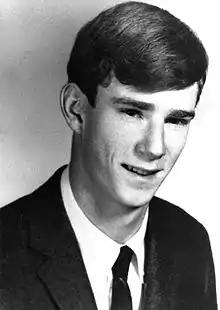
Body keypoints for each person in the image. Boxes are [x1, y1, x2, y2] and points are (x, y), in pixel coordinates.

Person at [0, 1, 217, 309]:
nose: (154, 147)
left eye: (176, 120)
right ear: (76, 110)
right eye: (132, 112)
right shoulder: (5, 252)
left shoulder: (190, 243)